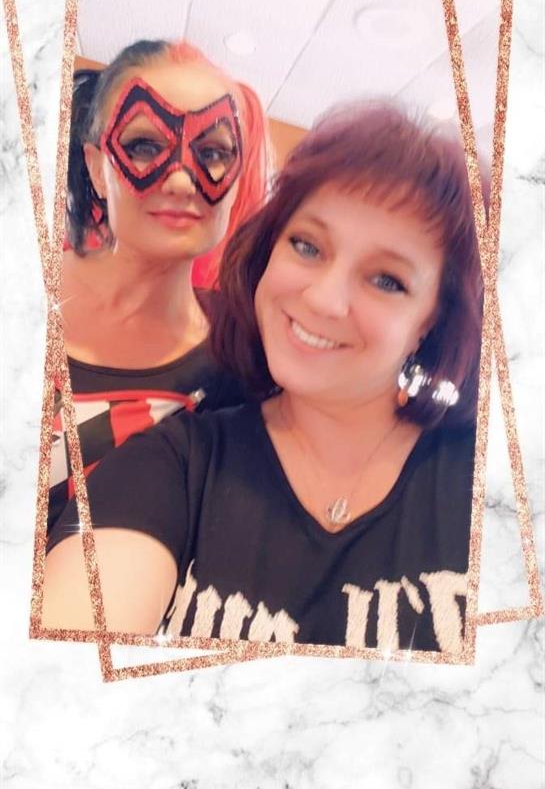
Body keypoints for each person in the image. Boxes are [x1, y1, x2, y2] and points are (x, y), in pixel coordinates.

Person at [44, 101, 485, 655]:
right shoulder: (175, 462)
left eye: (387, 281)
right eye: (307, 246)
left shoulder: (483, 486)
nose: (324, 298)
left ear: (430, 322)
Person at [49, 39, 269, 530]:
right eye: (145, 146)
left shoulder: (233, 368)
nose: (181, 181)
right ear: (96, 169)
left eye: (212, 152)